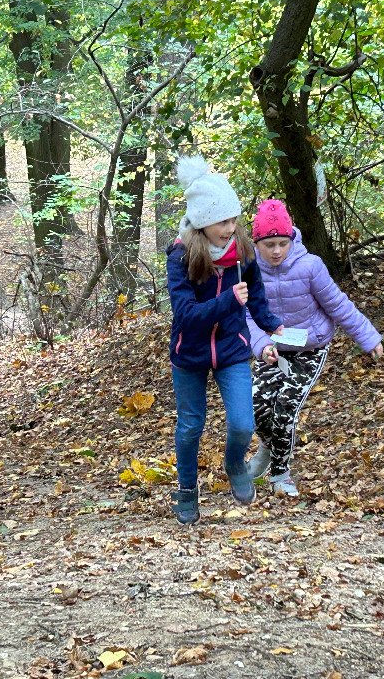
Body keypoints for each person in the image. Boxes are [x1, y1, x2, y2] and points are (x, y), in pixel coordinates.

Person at [165, 156, 283, 525]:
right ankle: (187, 489)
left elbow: (255, 290)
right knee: (190, 426)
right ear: (203, 221)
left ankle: (234, 465)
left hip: (232, 349)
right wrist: (228, 300)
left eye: (234, 220)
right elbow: (186, 315)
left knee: (243, 423)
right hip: (190, 353)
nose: (231, 228)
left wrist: (269, 322)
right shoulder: (181, 256)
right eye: (223, 222)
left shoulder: (242, 251)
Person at [245, 199, 382, 497]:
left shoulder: (310, 266)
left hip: (309, 347)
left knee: (285, 408)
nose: (277, 251)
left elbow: (337, 304)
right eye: (269, 245)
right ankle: (268, 447)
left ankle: (281, 476)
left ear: (291, 239)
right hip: (273, 349)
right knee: (255, 406)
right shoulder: (250, 271)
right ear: (257, 244)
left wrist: (368, 337)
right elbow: (247, 316)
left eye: (282, 243)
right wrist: (261, 345)